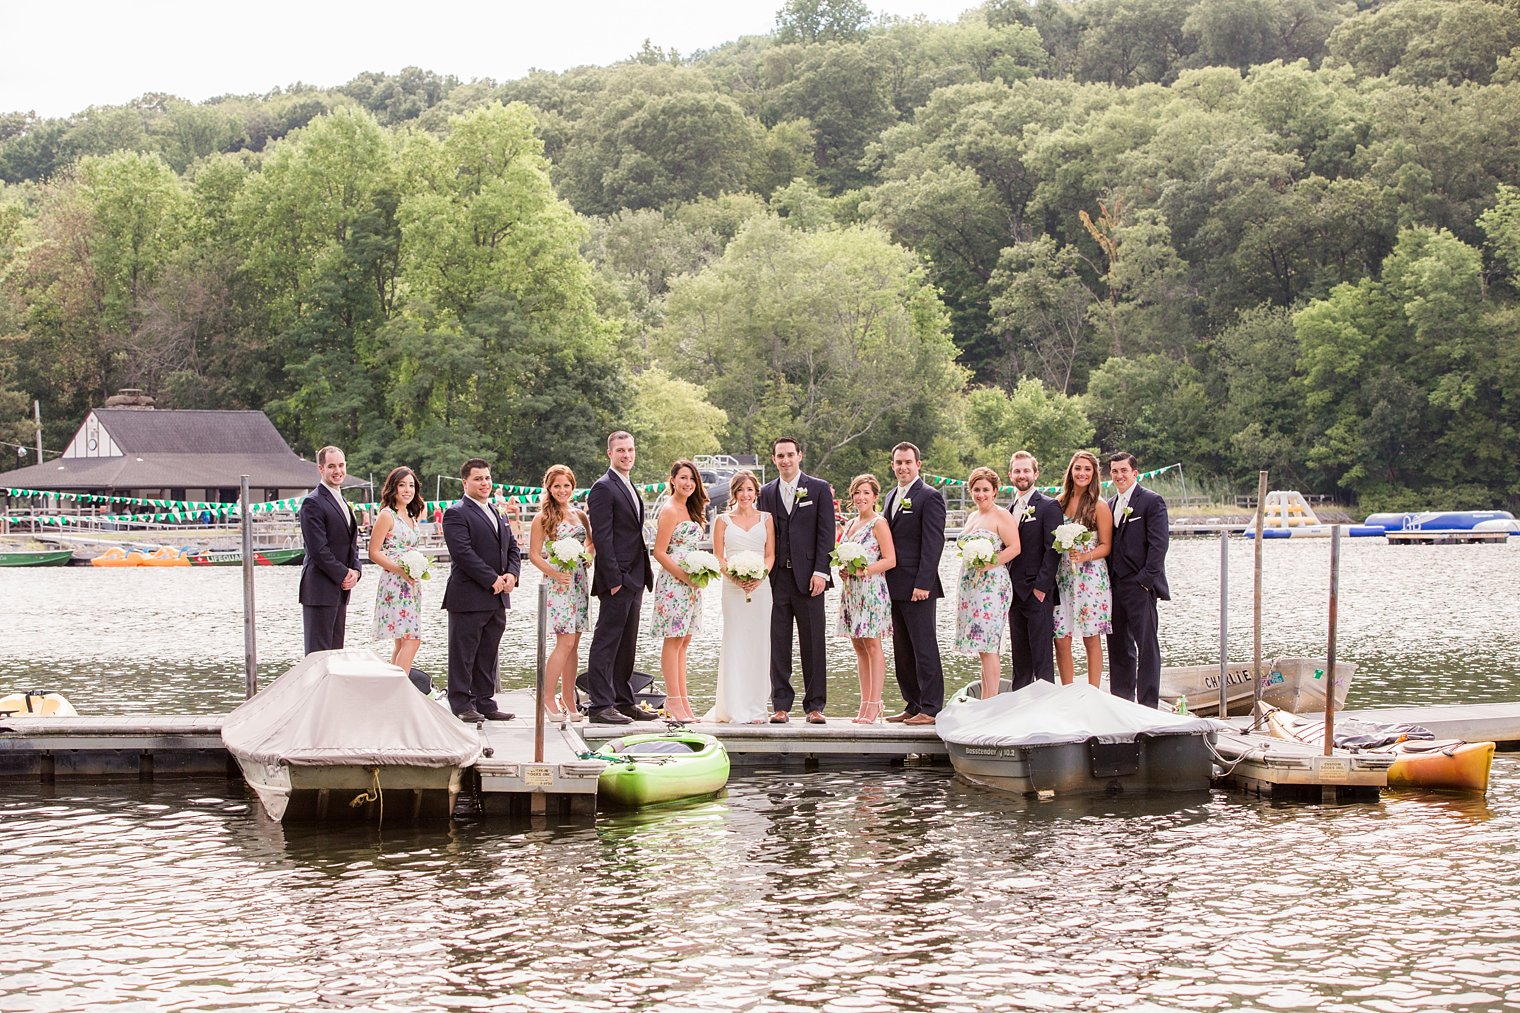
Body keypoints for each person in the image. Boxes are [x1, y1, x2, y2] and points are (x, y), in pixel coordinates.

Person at [757, 436, 836, 724]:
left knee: (813, 642)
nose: (785, 460)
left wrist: (821, 572)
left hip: (810, 579)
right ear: (774, 459)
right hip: (776, 579)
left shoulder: (818, 489)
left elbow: (827, 533)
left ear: (800, 455)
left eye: (790, 454)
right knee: (778, 643)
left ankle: (815, 706)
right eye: (780, 455)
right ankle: (781, 705)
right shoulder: (766, 493)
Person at [585, 431, 657, 725]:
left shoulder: (628, 485)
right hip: (617, 579)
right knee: (607, 641)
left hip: (636, 577)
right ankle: (600, 706)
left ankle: (624, 701)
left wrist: (637, 577)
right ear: (609, 454)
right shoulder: (603, 487)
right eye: (621, 451)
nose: (627, 455)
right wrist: (615, 578)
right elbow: (602, 536)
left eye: (630, 450)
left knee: (627, 643)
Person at [441, 458, 520, 722]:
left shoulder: (499, 512)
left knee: (488, 651)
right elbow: (463, 553)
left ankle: (485, 701)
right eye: (478, 479)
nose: (484, 483)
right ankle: (462, 703)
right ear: (465, 482)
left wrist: (511, 574)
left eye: (487, 478)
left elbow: (512, 548)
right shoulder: (456, 513)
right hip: (468, 595)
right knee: (464, 652)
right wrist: (491, 579)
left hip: (498, 596)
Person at [882, 442, 947, 726]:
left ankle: (931, 708)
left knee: (924, 647)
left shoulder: (929, 497)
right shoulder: (890, 496)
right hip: (893, 585)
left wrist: (924, 583)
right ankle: (913, 703)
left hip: (919, 587)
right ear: (893, 465)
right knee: (903, 649)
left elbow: (934, 543)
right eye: (898, 462)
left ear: (918, 464)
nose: (903, 467)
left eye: (908, 462)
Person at [705, 471, 775, 724]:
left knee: (758, 644)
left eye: (749, 490)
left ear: (756, 492)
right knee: (735, 642)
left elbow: (770, 555)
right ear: (733, 493)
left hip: (761, 588)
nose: (745, 495)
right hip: (732, 588)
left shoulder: (766, 519)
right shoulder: (723, 520)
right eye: (740, 490)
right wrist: (735, 577)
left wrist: (759, 576)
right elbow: (718, 556)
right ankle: (733, 706)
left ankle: (756, 708)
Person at [528, 464, 593, 722]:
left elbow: (590, 542)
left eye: (566, 486)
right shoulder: (542, 518)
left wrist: (588, 557)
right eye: (557, 486)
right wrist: (554, 573)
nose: (562, 490)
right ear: (549, 488)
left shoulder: (580, 515)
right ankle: (546, 698)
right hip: (558, 583)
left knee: (574, 644)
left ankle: (569, 699)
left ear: (573, 487)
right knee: (564, 641)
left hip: (579, 580)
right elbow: (533, 555)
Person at [1106, 452, 1171, 708]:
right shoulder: (1110, 504)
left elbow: (1159, 544)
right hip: (1114, 586)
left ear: (1135, 473)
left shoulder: (1151, 502)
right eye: (1114, 471)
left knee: (1147, 647)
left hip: (1140, 585)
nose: (1119, 475)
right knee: (1119, 646)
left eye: (1123, 470)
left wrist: (1145, 581)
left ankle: (1148, 704)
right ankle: (1122, 701)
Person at [954, 467, 1021, 699]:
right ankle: (985, 698)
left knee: (989, 643)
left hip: (992, 585)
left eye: (985, 490)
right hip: (971, 584)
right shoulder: (973, 516)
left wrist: (990, 564)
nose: (980, 494)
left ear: (995, 491)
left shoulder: (1002, 515)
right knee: (981, 647)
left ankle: (991, 703)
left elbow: (1015, 547)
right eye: (976, 490)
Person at [650, 460, 708, 722]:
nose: (688, 483)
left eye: (692, 479)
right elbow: (659, 552)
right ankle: (672, 703)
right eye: (683, 478)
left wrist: (699, 574)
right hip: (674, 584)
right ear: (672, 479)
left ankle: (684, 702)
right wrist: (685, 576)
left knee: (685, 641)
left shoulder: (690, 508)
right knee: (673, 640)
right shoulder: (670, 509)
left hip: (692, 585)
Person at [836, 474, 895, 724]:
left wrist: (863, 571)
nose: (861, 497)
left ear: (874, 497)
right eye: (857, 493)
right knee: (858, 647)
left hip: (871, 590)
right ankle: (864, 703)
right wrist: (843, 569)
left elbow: (890, 560)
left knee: (872, 645)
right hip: (851, 591)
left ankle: (874, 704)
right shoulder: (850, 524)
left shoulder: (878, 523)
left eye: (866, 493)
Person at [1053, 451, 1114, 688]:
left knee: (1090, 635)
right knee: (1061, 636)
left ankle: (1093, 691)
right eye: (1078, 468)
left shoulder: (1099, 506)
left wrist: (1085, 555)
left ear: (1094, 474)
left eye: (1087, 469)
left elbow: (1106, 546)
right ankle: (1067, 690)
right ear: (1071, 471)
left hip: (1091, 577)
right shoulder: (1058, 502)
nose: (1082, 473)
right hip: (1064, 577)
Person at [1006, 451, 1062, 690]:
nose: (1022, 475)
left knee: (1041, 655)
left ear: (1035, 474)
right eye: (1017, 471)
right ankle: (1020, 704)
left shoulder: (1049, 506)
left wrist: (1041, 588)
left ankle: (1046, 706)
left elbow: (1053, 550)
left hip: (1037, 591)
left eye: (1026, 470)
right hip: (1012, 592)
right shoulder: (1008, 509)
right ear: (1010, 475)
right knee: (1019, 657)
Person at [297, 445, 362, 654]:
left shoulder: (342, 500)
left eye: (341, 465)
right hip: (319, 589)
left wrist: (356, 571)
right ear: (320, 468)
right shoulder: (312, 502)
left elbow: (351, 544)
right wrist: (343, 573)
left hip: (341, 591)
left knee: (336, 655)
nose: (338, 471)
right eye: (332, 466)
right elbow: (318, 550)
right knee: (318, 657)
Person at [368, 465, 426, 680]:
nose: (407, 490)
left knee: (403, 640)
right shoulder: (387, 515)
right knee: (412, 639)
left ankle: (391, 688)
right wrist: (400, 570)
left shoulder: (411, 515)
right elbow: (373, 552)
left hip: (411, 583)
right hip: (395, 582)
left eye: (411, 485)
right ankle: (401, 689)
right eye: (402, 485)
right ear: (393, 488)